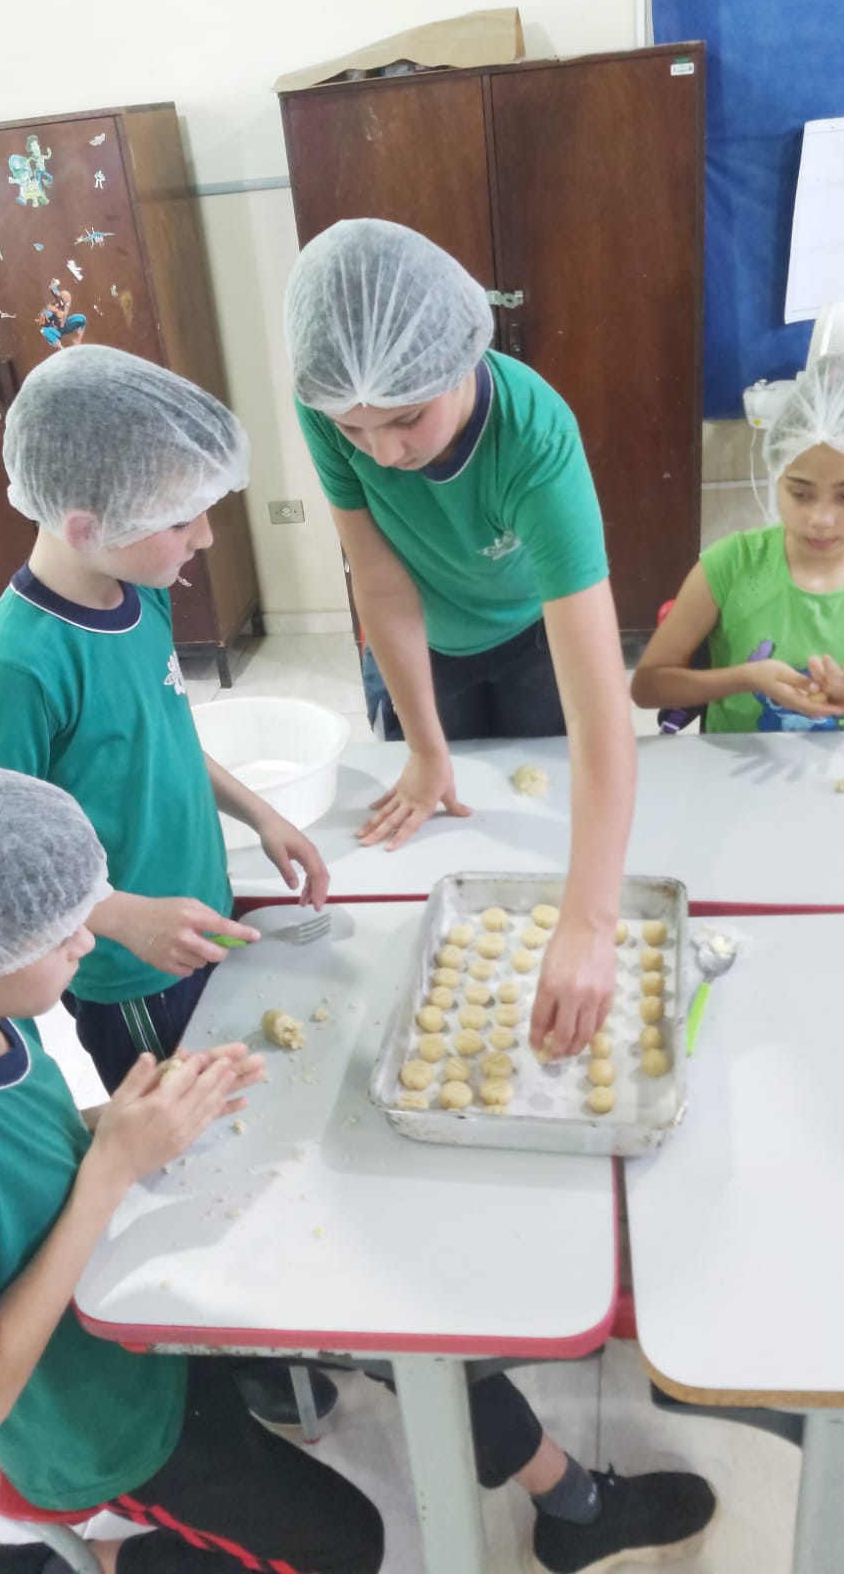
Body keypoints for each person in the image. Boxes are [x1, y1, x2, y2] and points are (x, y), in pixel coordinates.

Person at [0, 761, 383, 1574]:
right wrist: (111, 1168)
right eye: (57, 934)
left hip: (133, 1338)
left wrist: (133, 1120)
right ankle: (35, 1568)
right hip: (90, 1422)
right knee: (342, 1546)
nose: (87, 939)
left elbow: (29, 1153)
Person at [285, 218, 636, 1060]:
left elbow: (598, 710)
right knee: (432, 834)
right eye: (354, 429)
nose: (380, 450)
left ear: (462, 361)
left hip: (529, 638)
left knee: (541, 804)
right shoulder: (334, 404)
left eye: (404, 419)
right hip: (419, 644)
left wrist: (589, 925)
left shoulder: (535, 442)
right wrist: (425, 746)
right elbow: (380, 582)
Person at [0, 345, 330, 1099]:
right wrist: (122, 916)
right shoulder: (19, 665)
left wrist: (260, 814)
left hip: (197, 907)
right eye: (181, 519)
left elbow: (166, 737)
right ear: (87, 526)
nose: (206, 537)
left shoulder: (142, 590)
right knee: (176, 1119)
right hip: (126, 967)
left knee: (228, 1091)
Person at [631, 351, 844, 732]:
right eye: (800, 493)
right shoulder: (730, 562)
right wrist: (745, 677)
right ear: (777, 477)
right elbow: (647, 688)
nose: (821, 519)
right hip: (731, 769)